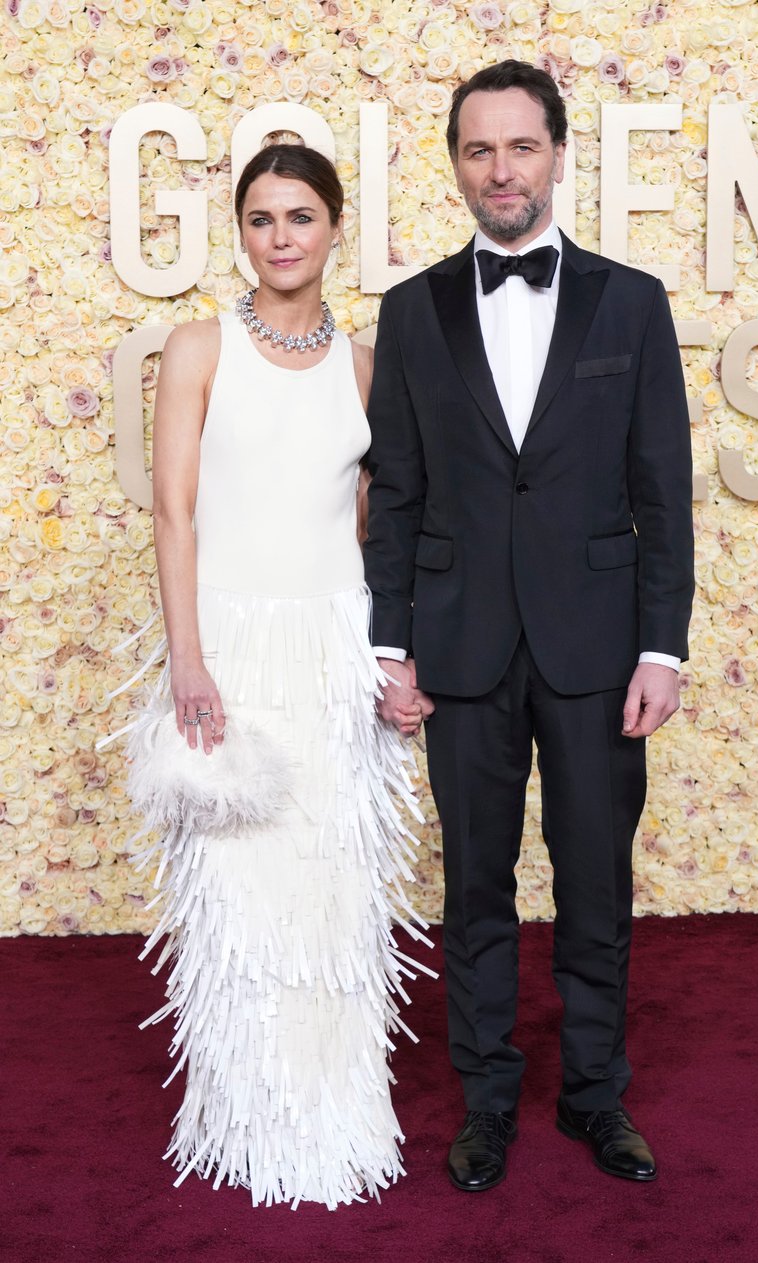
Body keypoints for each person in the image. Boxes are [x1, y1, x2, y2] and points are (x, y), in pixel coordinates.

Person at [364, 61, 694, 1190]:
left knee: (596, 880)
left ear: (556, 153)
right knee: (474, 889)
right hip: (457, 652)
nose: (498, 170)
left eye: (518, 146)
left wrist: (661, 646)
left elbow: (662, 488)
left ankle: (596, 1099)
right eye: (476, 149)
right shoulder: (410, 312)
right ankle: (487, 1104)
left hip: (600, 651)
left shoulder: (630, 300)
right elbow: (396, 494)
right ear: (454, 164)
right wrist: (387, 642)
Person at [145, 143, 427, 1208]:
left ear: (333, 228)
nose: (280, 237)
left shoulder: (365, 366)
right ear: (242, 233)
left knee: (331, 895)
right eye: (261, 219)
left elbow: (371, 525)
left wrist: (389, 658)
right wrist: (187, 659)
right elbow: (173, 513)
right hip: (228, 650)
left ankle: (336, 1118)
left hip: (330, 653)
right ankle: (244, 1121)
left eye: (300, 217)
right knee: (238, 895)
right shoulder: (197, 347)